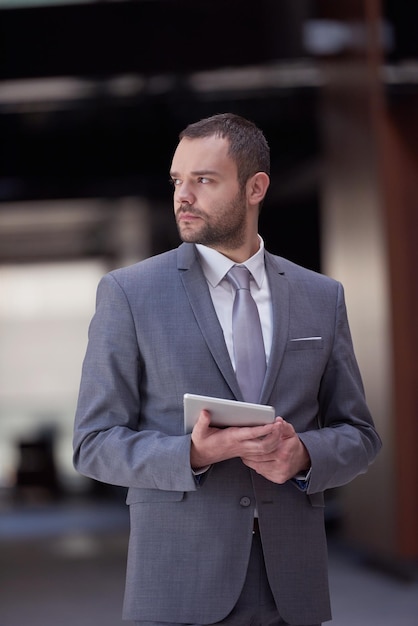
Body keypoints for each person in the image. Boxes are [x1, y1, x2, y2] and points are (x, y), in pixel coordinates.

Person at [73, 113, 381, 626]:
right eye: (177, 180)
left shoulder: (320, 297)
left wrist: (304, 454)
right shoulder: (130, 294)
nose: (183, 196)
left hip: (292, 587)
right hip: (179, 586)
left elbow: (361, 435)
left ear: (255, 187)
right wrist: (192, 453)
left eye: (204, 180)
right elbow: (92, 443)